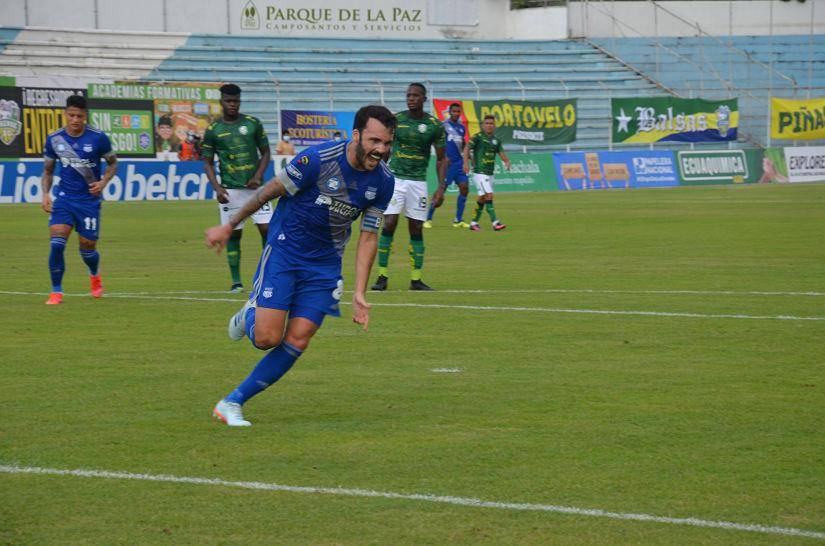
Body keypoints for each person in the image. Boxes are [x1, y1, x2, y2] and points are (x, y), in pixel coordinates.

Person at [204, 104, 397, 427]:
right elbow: (268, 192)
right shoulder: (318, 160)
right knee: (266, 338)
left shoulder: (384, 182)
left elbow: (368, 237)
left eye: (387, 143)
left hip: (325, 266)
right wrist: (229, 225)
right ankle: (249, 314)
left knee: (299, 338)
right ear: (356, 135)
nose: (380, 150)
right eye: (375, 141)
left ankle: (232, 402)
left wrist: (360, 292)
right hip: (286, 252)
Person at [41, 94, 118, 305]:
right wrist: (45, 194)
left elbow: (113, 164)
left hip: (89, 201)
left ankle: (94, 274)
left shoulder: (98, 137)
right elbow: (48, 171)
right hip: (64, 198)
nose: (75, 120)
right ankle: (56, 291)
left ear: (85, 116)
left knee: (87, 248)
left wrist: (102, 183)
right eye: (71, 115)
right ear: (66, 114)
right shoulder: (54, 139)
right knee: (57, 244)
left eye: (79, 116)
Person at [371, 83, 446, 292]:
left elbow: (441, 160)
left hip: (418, 182)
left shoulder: (435, 126)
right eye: (408, 95)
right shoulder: (397, 121)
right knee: (389, 223)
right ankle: (382, 276)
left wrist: (440, 189)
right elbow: (384, 148)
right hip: (395, 179)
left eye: (415, 95)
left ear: (424, 98)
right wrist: (378, 172)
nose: (410, 99)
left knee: (416, 228)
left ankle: (416, 279)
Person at [202, 83, 273, 293]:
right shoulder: (213, 130)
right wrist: (217, 188)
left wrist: (258, 175)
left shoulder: (253, 124)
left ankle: (267, 275)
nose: (232, 105)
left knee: (267, 231)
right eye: (228, 101)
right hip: (230, 191)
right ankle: (236, 282)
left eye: (236, 101)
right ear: (221, 102)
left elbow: (266, 153)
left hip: (257, 190)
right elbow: (207, 162)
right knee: (233, 234)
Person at [424, 102, 470, 229]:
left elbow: (464, 144)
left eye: (458, 111)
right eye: (454, 111)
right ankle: (428, 218)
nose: (456, 113)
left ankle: (458, 220)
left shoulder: (461, 128)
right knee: (441, 190)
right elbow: (435, 141)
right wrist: (443, 156)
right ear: (449, 112)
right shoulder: (443, 126)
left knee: (465, 188)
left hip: (459, 163)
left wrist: (468, 158)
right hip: (447, 164)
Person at [464, 114, 510, 232]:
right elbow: (466, 148)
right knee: (489, 194)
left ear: (494, 125)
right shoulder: (477, 137)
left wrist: (506, 161)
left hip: (490, 173)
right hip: (480, 172)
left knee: (482, 199)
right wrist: (466, 163)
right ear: (483, 125)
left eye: (491, 123)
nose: (489, 126)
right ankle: (495, 223)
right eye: (487, 123)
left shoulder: (496, 141)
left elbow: (501, 154)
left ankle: (474, 223)